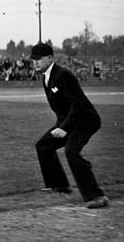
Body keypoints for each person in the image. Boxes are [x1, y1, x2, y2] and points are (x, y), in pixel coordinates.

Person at [30, 43, 108, 209]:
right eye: (33, 59)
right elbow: (62, 109)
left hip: (85, 120)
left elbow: (78, 105)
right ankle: (60, 185)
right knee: (43, 145)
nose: (35, 62)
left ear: (50, 58)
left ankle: (97, 196)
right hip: (69, 121)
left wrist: (64, 128)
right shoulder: (46, 77)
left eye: (39, 59)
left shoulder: (63, 75)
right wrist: (61, 126)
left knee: (71, 151)